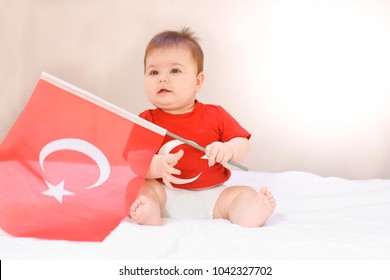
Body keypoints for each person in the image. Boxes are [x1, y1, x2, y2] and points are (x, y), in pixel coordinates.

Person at [129, 27, 276, 227]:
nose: (162, 78)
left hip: (212, 195)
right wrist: (155, 165)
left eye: (175, 70)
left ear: (198, 82)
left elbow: (243, 144)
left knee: (243, 193)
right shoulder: (147, 120)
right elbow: (134, 160)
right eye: (153, 72)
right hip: (164, 193)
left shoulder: (215, 114)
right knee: (140, 188)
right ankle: (150, 211)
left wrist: (229, 149)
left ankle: (246, 214)